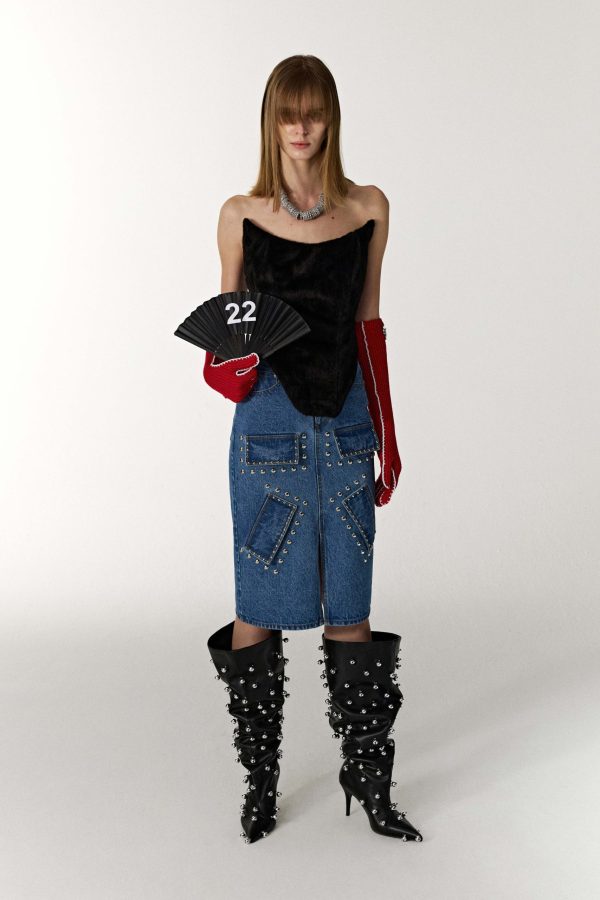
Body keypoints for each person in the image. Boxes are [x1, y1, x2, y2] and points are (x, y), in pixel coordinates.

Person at [204, 55, 423, 845]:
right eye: (288, 114)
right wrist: (228, 359)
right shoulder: (240, 215)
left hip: (348, 422)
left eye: (314, 113)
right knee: (259, 604)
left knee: (351, 606)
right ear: (270, 121)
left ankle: (368, 780)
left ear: (332, 119)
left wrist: (388, 432)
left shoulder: (369, 208)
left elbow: (368, 322)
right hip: (267, 426)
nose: (300, 128)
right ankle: (260, 781)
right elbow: (226, 349)